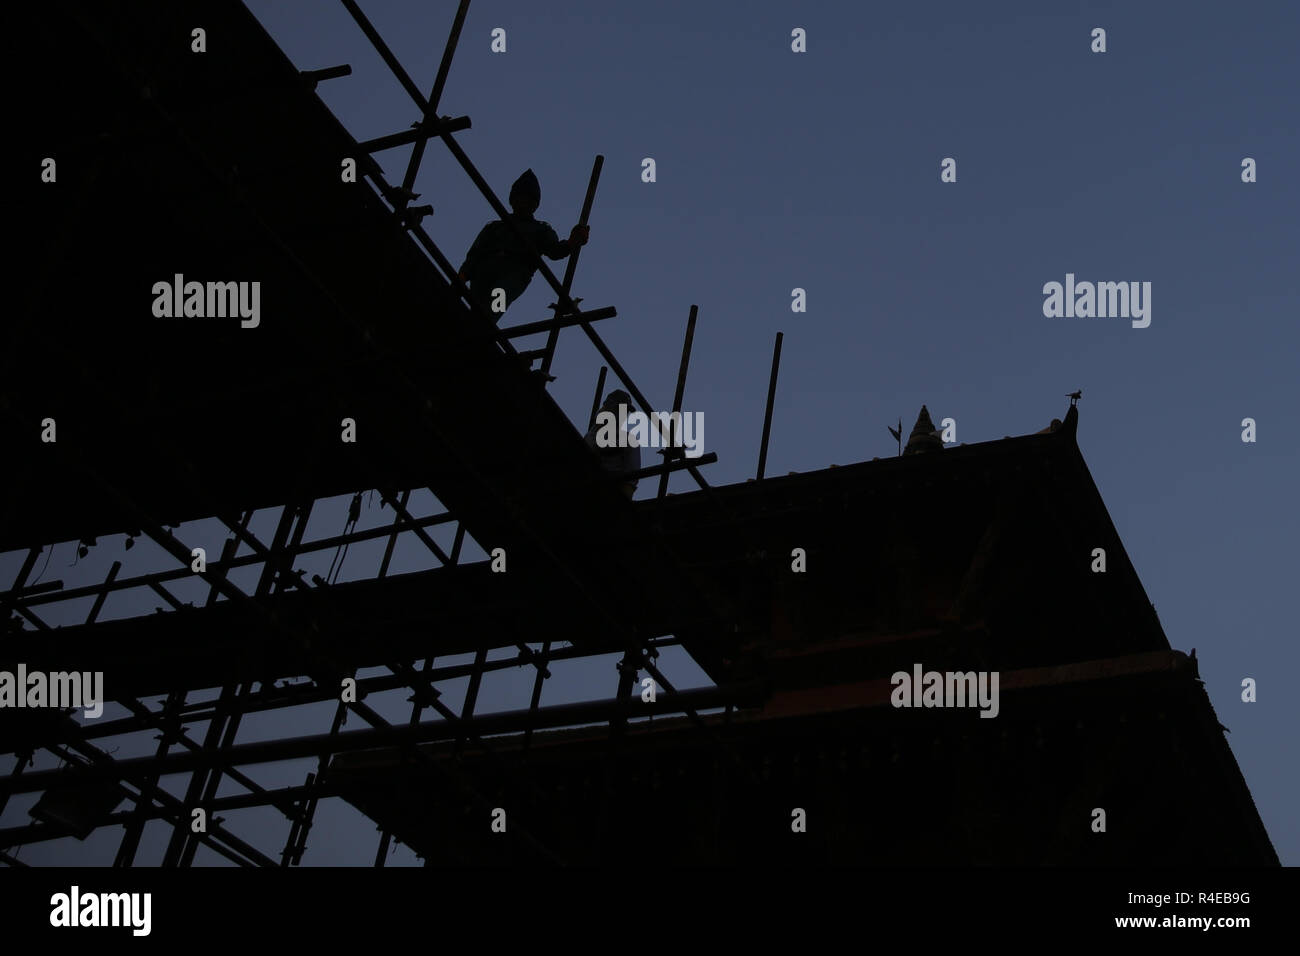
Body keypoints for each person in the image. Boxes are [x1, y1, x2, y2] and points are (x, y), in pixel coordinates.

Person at [458, 169, 590, 320]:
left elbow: (555, 251)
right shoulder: (495, 227)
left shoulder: (540, 229)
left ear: (535, 204)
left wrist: (573, 241)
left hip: (514, 272)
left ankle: (486, 322)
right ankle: (474, 324)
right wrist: (462, 276)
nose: (523, 202)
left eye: (528, 199)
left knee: (499, 297)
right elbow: (475, 254)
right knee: (476, 306)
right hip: (484, 271)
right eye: (520, 197)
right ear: (512, 200)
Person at [584, 390, 641, 499]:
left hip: (609, 494)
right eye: (620, 409)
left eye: (626, 412)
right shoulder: (591, 435)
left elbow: (631, 481)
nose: (624, 415)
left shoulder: (629, 440)